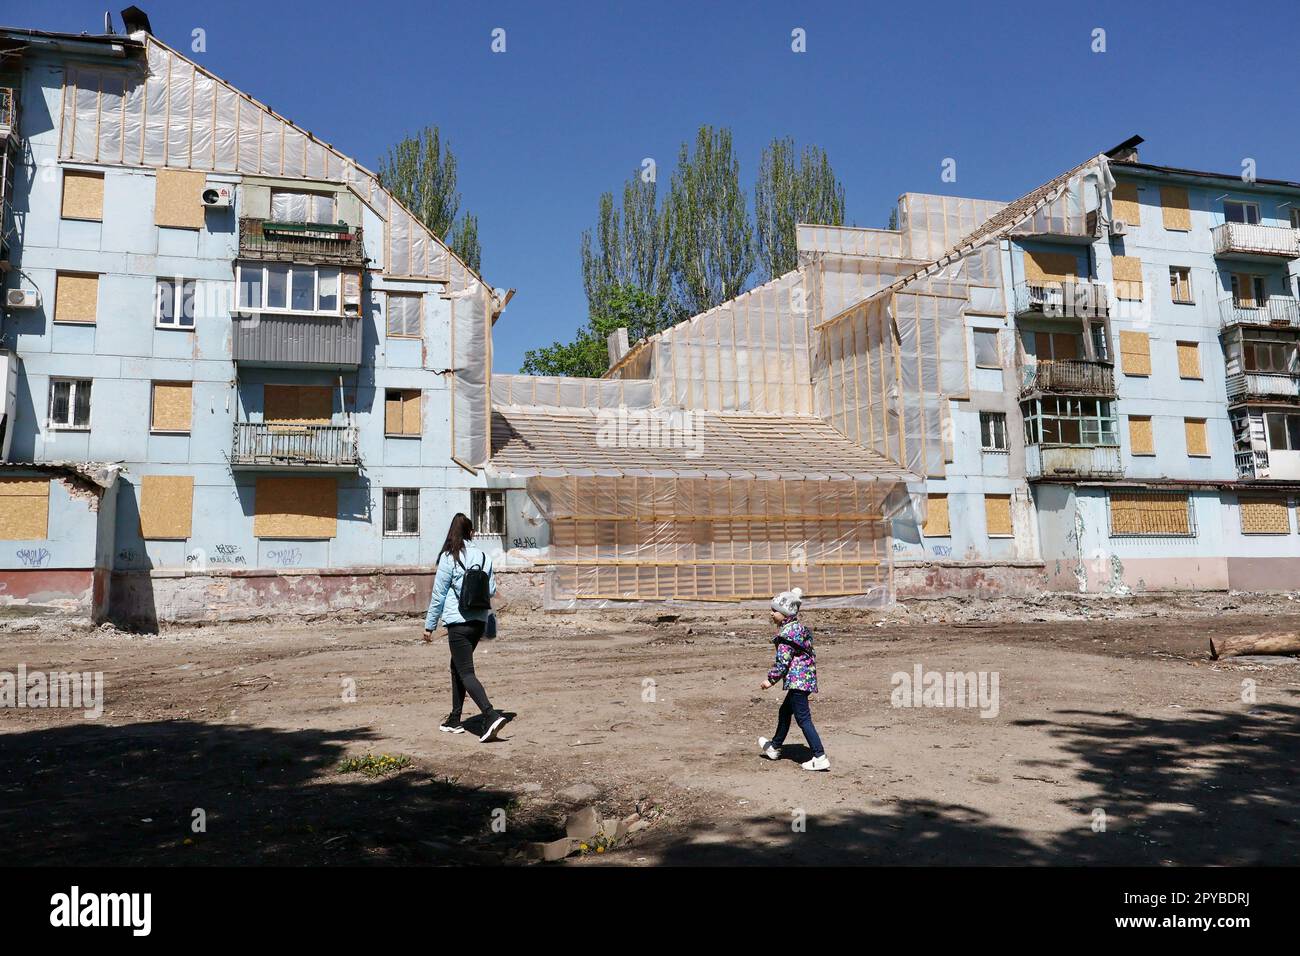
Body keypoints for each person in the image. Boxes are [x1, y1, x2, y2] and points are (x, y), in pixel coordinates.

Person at [423, 512, 511, 743]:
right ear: (471, 533)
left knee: (466, 672)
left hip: (458, 623)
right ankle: (454, 720)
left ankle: (490, 715)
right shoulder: (483, 556)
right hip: (478, 622)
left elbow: (438, 595)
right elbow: (490, 590)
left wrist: (429, 626)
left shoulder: (448, 558)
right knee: (457, 667)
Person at [757, 587, 829, 771]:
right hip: (803, 679)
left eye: (775, 611)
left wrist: (770, 680)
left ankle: (819, 755)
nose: (771, 613)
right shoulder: (797, 628)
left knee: (803, 719)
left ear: (786, 613)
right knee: (784, 711)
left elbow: (783, 662)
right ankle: (774, 746)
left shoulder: (786, 635)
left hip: (798, 681)